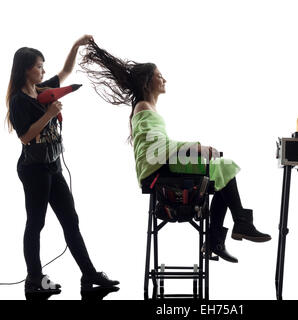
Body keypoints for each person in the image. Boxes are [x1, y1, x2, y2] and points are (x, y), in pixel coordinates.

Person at [80, 40, 271, 263]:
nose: (164, 79)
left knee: (221, 172)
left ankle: (219, 238)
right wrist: (197, 148)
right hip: (157, 171)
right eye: (159, 75)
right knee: (223, 166)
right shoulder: (143, 107)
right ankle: (236, 226)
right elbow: (154, 150)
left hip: (159, 166)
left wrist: (196, 150)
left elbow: (158, 146)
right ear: (147, 81)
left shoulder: (147, 108)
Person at [5, 35, 119, 294]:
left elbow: (66, 71)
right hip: (33, 169)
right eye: (38, 66)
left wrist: (77, 45)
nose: (43, 70)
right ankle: (34, 279)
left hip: (53, 165)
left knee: (71, 220)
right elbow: (25, 137)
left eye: (43, 65)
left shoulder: (43, 90)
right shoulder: (18, 101)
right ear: (25, 69)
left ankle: (89, 275)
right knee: (36, 223)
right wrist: (49, 114)